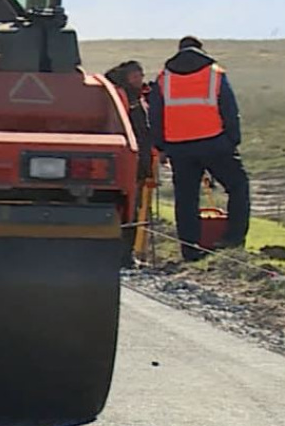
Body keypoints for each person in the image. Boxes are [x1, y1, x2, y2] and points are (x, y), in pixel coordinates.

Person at [147, 36, 251, 261]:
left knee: (186, 199)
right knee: (238, 186)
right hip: (215, 144)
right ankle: (233, 240)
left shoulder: (164, 78)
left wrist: (161, 146)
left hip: (180, 148)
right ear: (201, 50)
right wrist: (232, 141)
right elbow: (229, 109)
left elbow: (155, 115)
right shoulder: (215, 75)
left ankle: (189, 248)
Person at [105, 60, 156, 266]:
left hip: (135, 161)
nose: (140, 79)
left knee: (130, 209)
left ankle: (125, 255)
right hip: (127, 163)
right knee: (127, 210)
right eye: (136, 76)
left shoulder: (135, 96)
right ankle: (124, 257)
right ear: (126, 77)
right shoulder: (121, 96)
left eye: (141, 75)